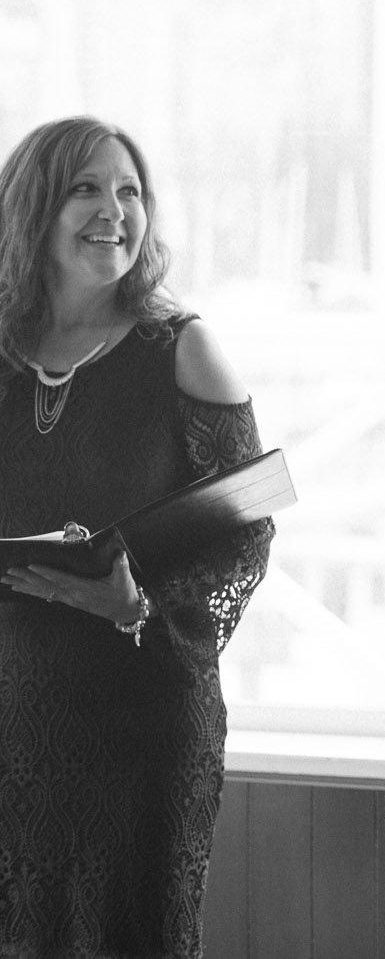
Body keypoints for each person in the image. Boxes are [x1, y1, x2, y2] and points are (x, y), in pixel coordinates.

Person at [0, 115, 270, 957]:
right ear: (33, 208)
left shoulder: (183, 348)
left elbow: (247, 533)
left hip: (142, 723)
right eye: (85, 188)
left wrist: (138, 601)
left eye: (130, 190)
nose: (114, 210)